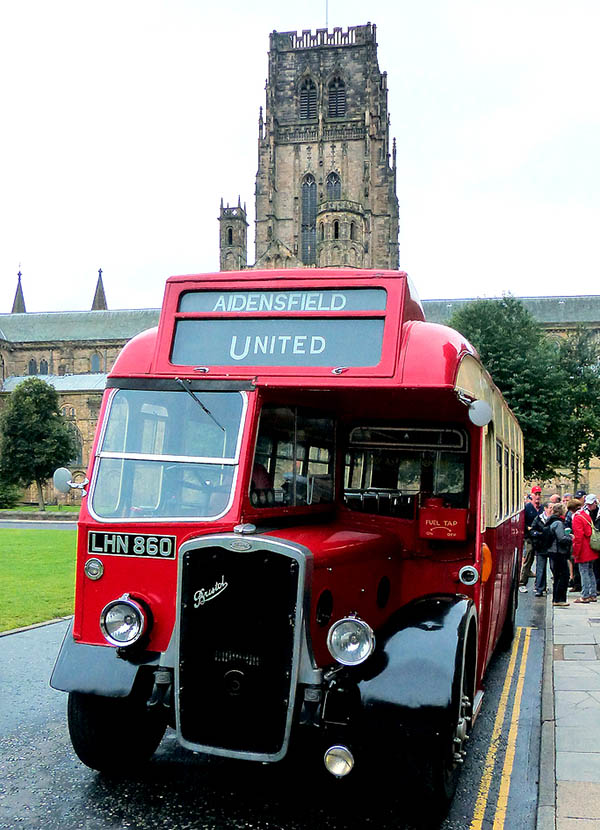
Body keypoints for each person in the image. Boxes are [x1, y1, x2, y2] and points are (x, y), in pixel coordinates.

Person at [572, 494, 599, 603]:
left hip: (583, 549)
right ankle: (593, 594)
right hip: (591, 548)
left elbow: (578, 537)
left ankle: (585, 595)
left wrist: (575, 552)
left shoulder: (577, 518)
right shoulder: (585, 515)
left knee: (584, 572)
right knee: (590, 571)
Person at [547, 503, 572, 606]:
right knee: (563, 575)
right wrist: (570, 538)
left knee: (557, 576)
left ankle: (556, 599)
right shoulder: (558, 523)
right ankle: (559, 599)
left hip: (553, 552)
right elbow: (561, 538)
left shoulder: (551, 521)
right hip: (558, 552)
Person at [520, 486, 544, 593]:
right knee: (528, 558)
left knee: (541, 561)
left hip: (540, 538)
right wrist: (528, 528)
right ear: (532, 495)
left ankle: (539, 585)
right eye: (536, 494)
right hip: (529, 537)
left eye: (539, 494)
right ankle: (522, 582)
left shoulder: (543, 508)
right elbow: (522, 522)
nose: (538, 496)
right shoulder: (527, 507)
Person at [530, 501, 554, 597]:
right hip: (541, 547)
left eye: (553, 508)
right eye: (550, 508)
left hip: (552, 547)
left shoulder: (554, 519)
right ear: (545, 508)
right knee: (540, 568)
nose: (552, 510)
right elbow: (532, 530)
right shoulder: (539, 519)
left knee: (554, 568)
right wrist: (538, 535)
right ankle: (540, 588)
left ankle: (555, 587)